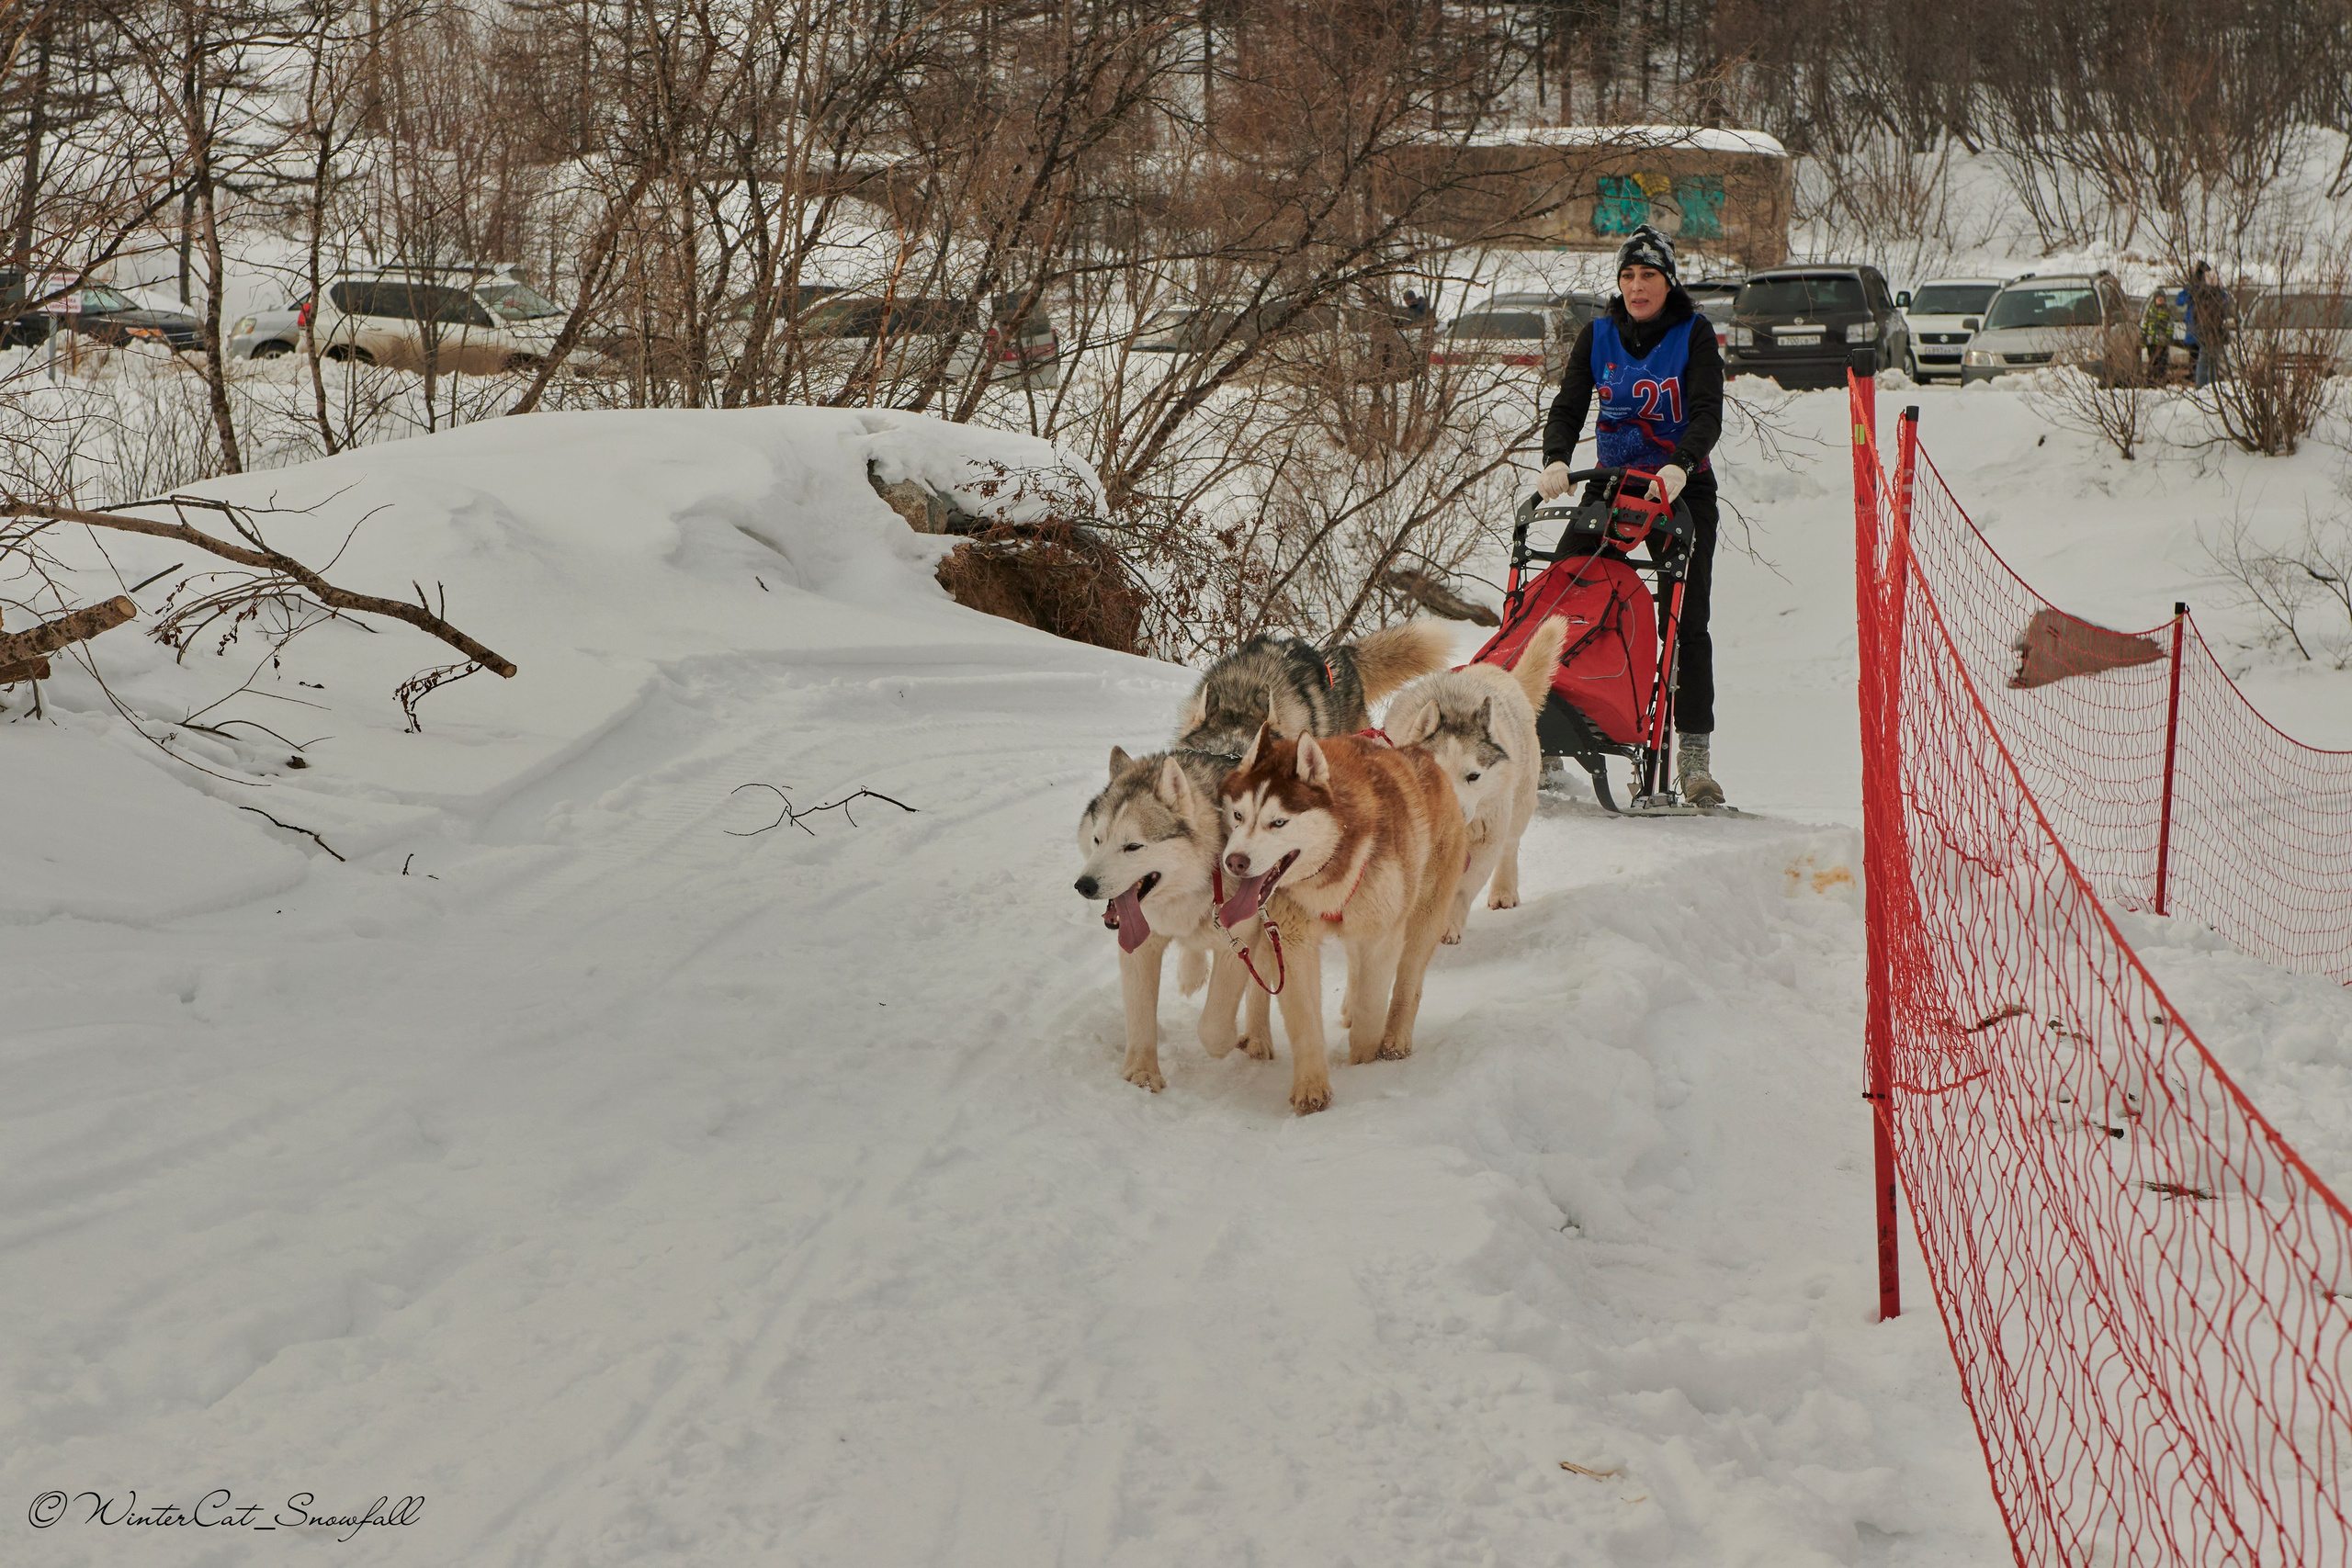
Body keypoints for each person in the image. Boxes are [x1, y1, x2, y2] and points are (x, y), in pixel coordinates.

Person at [1535, 223, 1727, 807]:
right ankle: (1546, 733)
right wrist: (1555, 459)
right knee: (1560, 593)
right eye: (1628, 276)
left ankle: (1692, 760)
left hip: (1680, 487)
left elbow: (1706, 410)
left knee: (1686, 620)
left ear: (1669, 282)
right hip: (1613, 485)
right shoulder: (1598, 336)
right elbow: (1568, 404)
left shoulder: (1693, 335)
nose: (1638, 286)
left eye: (1649, 276)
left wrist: (1683, 462)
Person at [2183, 262, 2232, 389]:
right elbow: (2224, 311)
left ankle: (2201, 386)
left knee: (2203, 359)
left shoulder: (2200, 294)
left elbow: (2194, 311)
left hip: (2202, 331)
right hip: (2212, 331)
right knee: (2212, 361)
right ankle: (2211, 386)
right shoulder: (2216, 296)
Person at [2140, 287, 2175, 384]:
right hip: (2151, 341)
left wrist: (2168, 337)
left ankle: (2161, 378)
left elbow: (2170, 325)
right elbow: (2145, 324)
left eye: (2162, 299)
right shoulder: (2150, 311)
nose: (2160, 300)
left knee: (2162, 361)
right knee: (2152, 360)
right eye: (2158, 299)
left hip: (2162, 341)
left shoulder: (2167, 311)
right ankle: (2151, 379)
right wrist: (2143, 336)